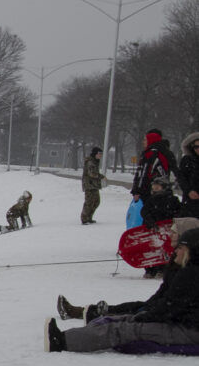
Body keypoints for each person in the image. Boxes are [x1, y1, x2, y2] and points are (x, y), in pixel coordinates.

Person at [46, 228, 199, 353]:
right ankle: (79, 334)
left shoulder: (190, 274)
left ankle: (61, 342)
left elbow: (170, 307)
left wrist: (146, 316)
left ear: (190, 252)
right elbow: (169, 302)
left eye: (180, 248)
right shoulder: (188, 271)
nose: (176, 252)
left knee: (124, 330)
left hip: (189, 331)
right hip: (185, 325)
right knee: (128, 319)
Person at [57, 217, 199, 323]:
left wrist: (150, 310)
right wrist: (149, 305)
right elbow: (164, 292)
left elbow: (173, 302)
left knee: (134, 314)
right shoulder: (177, 261)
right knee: (134, 306)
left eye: (174, 232)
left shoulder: (188, 268)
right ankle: (86, 311)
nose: (170, 235)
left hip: (173, 317)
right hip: (163, 307)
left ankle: (92, 315)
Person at [131, 128, 177, 202]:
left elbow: (143, 174)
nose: (143, 142)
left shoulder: (150, 154)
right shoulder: (166, 153)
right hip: (161, 190)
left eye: (145, 139)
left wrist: (137, 190)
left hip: (149, 191)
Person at [80, 147, 105, 225]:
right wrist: (101, 176)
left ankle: (89, 217)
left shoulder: (95, 161)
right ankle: (84, 218)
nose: (100, 155)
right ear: (95, 154)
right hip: (89, 185)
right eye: (99, 154)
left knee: (96, 202)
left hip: (94, 185)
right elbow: (92, 173)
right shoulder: (90, 162)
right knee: (89, 202)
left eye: (101, 154)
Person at [178, 131, 199, 218]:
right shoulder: (187, 160)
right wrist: (189, 191)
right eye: (196, 147)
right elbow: (181, 178)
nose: (198, 149)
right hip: (191, 201)